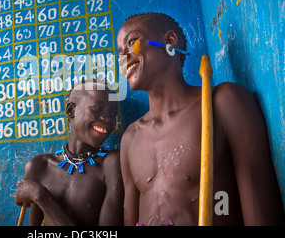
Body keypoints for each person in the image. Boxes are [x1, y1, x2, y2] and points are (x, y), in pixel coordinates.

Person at [117, 12, 285, 226]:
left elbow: (260, 211)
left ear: (169, 42)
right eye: (120, 53)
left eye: (132, 42)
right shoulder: (130, 138)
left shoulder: (223, 103)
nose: (124, 57)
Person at [15, 79, 124, 226]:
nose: (107, 119)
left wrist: (41, 196)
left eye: (113, 113)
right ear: (71, 110)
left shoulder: (112, 164)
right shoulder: (38, 166)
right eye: (97, 108)